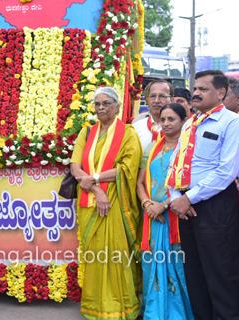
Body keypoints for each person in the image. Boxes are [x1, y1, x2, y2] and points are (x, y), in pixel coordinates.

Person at [168, 70, 239, 319]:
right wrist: (174, 198)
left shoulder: (233, 122)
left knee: (222, 275)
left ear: (221, 93)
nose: (196, 93)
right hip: (186, 206)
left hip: (215, 205)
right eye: (196, 88)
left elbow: (227, 171)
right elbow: (175, 163)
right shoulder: (191, 122)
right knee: (196, 274)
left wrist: (189, 198)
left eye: (203, 89)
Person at [70, 86, 142, 320]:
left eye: (106, 103)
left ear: (117, 106)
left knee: (117, 254)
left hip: (117, 203)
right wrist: (97, 190)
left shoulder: (128, 133)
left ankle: (121, 308)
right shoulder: (86, 133)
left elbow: (127, 169)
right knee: (94, 255)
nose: (101, 108)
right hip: (91, 202)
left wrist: (97, 179)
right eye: (97, 104)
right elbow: (75, 167)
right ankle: (95, 307)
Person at [136, 103, 193, 320]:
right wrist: (147, 205)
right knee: (151, 264)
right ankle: (154, 313)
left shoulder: (189, 148)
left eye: (172, 119)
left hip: (176, 217)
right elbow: (140, 183)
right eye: (163, 119)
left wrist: (164, 205)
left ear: (183, 121)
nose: (166, 123)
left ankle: (180, 314)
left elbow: (189, 184)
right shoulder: (151, 148)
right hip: (151, 216)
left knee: (179, 266)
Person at [132, 80, 174, 151]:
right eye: (153, 96)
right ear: (147, 99)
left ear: (172, 100)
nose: (156, 101)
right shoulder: (136, 127)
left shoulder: (179, 128)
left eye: (162, 96)